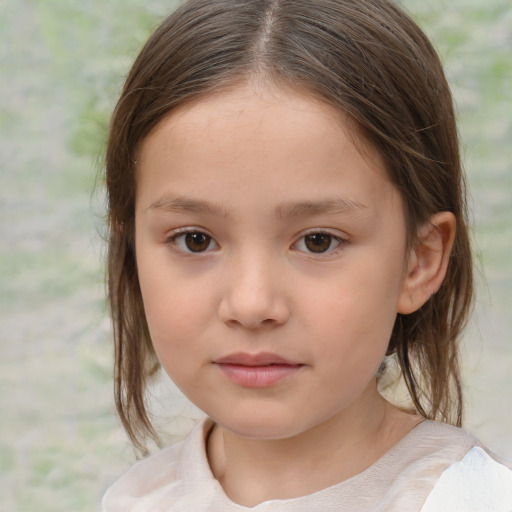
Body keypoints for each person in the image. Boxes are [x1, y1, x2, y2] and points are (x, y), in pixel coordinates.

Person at [101, 0, 512, 510]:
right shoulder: (134, 499)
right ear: (131, 253)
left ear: (418, 261)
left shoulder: (469, 500)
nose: (252, 305)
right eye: (195, 240)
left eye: (318, 241)